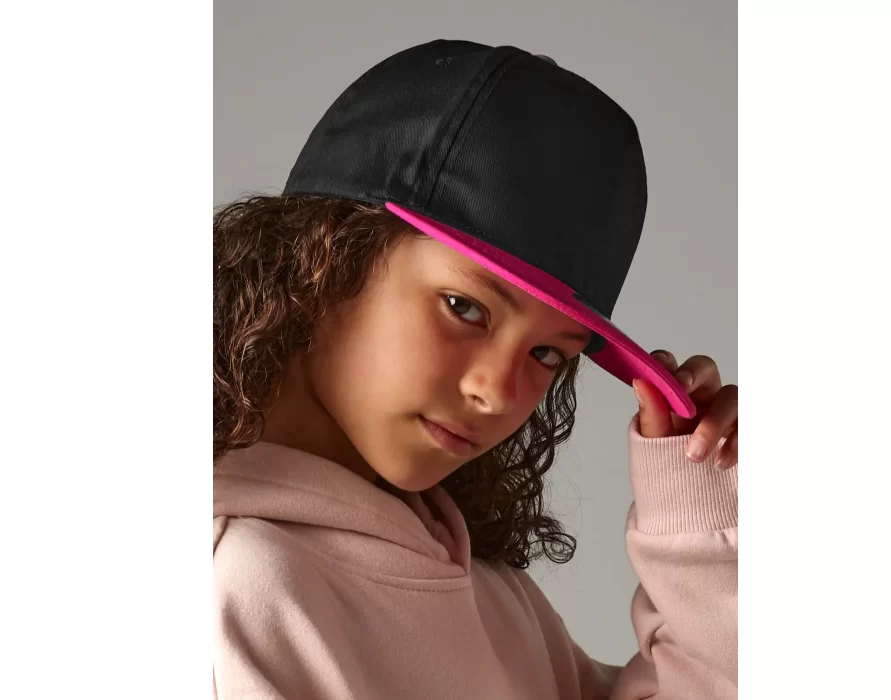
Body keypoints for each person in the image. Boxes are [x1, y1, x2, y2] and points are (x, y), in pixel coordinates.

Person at [213, 39, 738, 699]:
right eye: (464, 308)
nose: (498, 393)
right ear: (322, 256)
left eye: (548, 354)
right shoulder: (236, 594)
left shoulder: (489, 594)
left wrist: (697, 513)